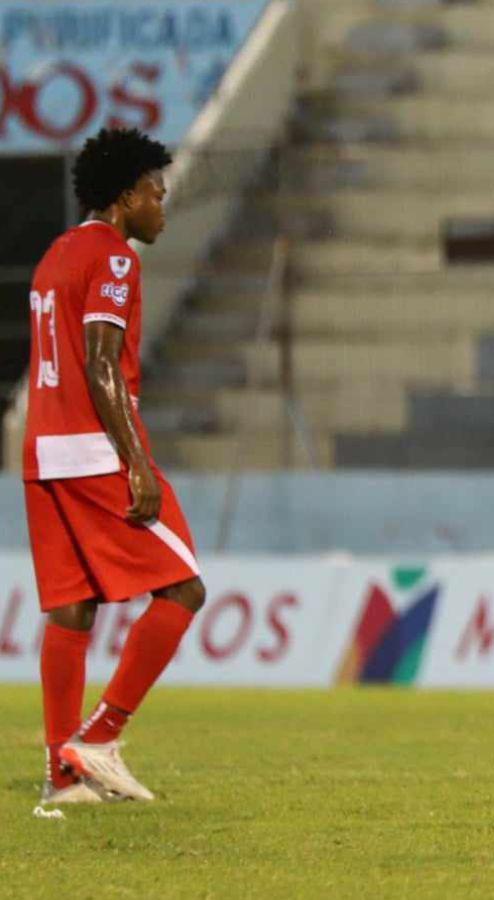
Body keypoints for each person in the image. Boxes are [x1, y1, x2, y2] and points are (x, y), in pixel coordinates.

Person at [24, 127, 206, 804]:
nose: (162, 206)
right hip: (96, 451)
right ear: (128, 195)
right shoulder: (115, 258)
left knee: (72, 609)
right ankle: (99, 736)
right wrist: (135, 463)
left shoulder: (56, 254)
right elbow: (101, 362)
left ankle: (62, 778)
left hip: (44, 450)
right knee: (185, 586)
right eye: (156, 194)